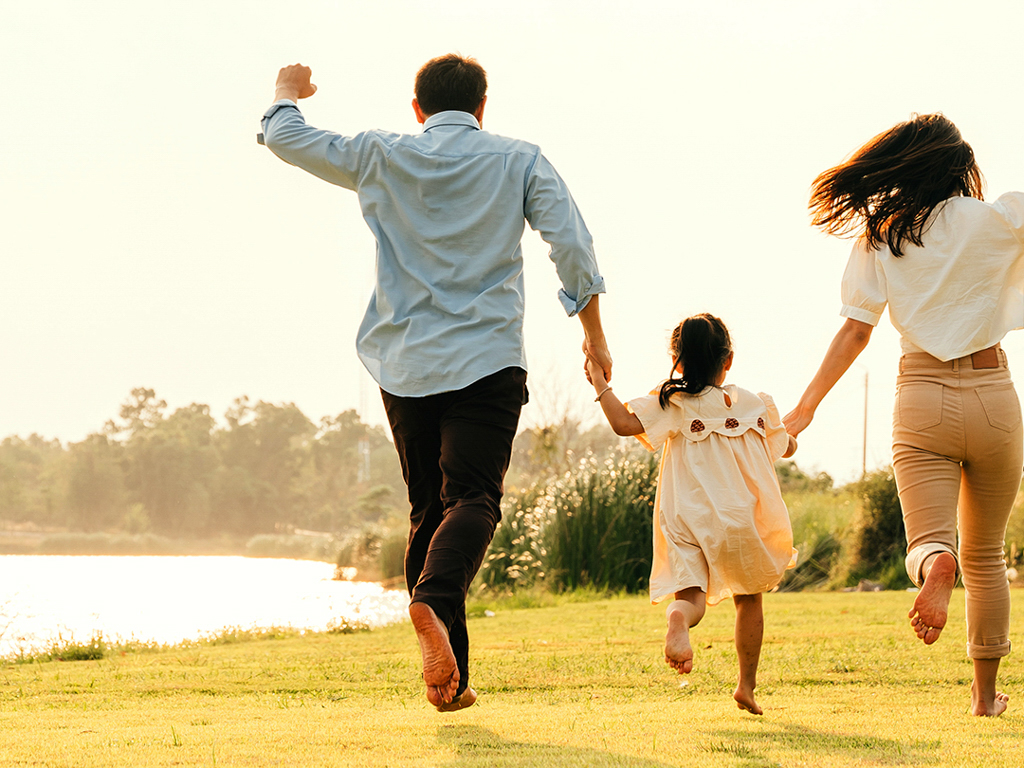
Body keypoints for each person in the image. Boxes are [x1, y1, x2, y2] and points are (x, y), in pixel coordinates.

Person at [259, 55, 611, 712]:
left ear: (417, 109)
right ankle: (430, 606)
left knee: (430, 509)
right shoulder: (520, 159)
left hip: (407, 363)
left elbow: (286, 138)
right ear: (483, 106)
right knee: (473, 499)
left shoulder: (380, 154)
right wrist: (593, 333)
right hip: (486, 358)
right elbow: (572, 246)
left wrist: (288, 90)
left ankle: (450, 681)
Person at [784, 113, 1024, 717]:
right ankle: (984, 698)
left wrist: (804, 409)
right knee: (988, 555)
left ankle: (933, 562)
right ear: (958, 166)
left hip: (922, 397)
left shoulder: (884, 232)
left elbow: (855, 331)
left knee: (930, 540)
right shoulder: (999, 217)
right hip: (994, 393)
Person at [584, 314, 796, 714]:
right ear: (728, 359)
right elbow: (783, 447)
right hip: (741, 518)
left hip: (688, 516)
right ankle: (746, 687)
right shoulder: (754, 403)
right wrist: (793, 437)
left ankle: (680, 619)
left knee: (691, 597)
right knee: (749, 599)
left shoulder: (673, 403)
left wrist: (600, 383)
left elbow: (622, 423)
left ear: (677, 363)